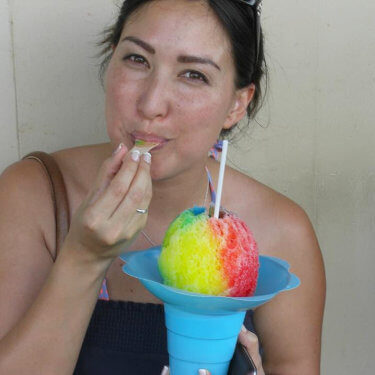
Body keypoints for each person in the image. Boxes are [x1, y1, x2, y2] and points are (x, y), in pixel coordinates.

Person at [0, 0, 325, 374]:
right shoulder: (35, 195)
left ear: (237, 104)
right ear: (111, 60)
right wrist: (84, 256)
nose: (151, 104)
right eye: (137, 60)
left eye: (193, 75)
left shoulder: (280, 234)